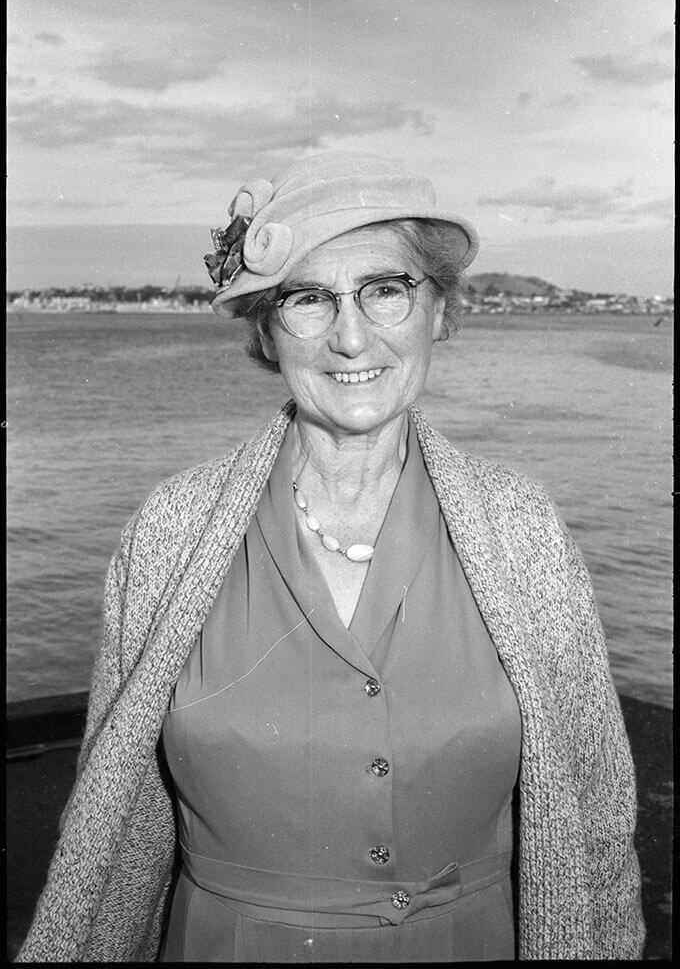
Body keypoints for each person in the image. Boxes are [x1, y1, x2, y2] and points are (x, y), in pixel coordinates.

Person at [17, 152, 644, 962]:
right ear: (267, 332)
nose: (352, 336)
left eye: (385, 289)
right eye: (310, 299)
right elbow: (107, 824)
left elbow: (595, 818)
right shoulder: (169, 530)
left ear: (438, 312)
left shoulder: (525, 529)